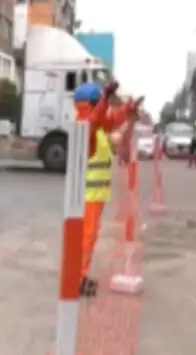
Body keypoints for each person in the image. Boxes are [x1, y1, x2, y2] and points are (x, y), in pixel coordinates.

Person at [74, 81, 143, 296]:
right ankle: (78, 278)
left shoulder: (99, 129)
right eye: (101, 103)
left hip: (96, 197)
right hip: (88, 197)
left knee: (89, 239)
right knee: (85, 240)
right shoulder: (85, 127)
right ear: (92, 105)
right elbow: (97, 120)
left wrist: (128, 111)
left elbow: (112, 120)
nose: (107, 109)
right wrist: (105, 98)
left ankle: (80, 275)